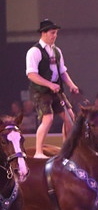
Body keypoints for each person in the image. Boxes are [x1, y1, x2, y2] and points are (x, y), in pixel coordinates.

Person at [25, 18, 81, 157]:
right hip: (41, 91)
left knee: (70, 116)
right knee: (48, 118)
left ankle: (67, 147)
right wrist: (49, 84)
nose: (54, 36)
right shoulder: (34, 51)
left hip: (56, 90)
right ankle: (38, 151)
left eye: (56, 33)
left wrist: (71, 85)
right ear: (43, 33)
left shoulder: (56, 51)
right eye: (52, 33)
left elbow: (62, 72)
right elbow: (31, 74)